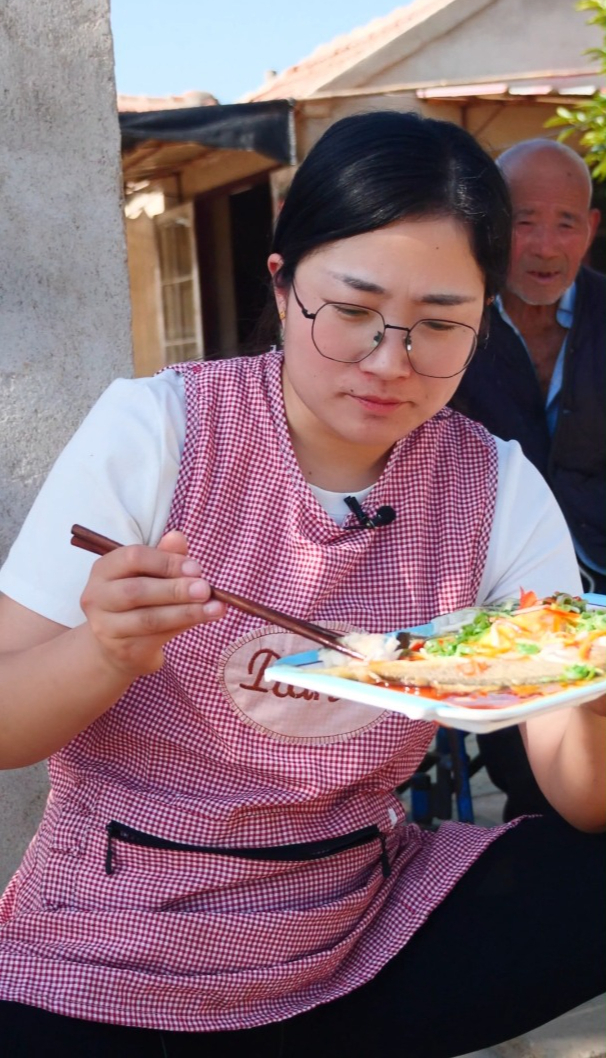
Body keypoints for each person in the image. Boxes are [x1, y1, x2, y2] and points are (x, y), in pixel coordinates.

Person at [0, 112, 603, 1058]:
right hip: (113, 944)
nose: (389, 362)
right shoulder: (159, 429)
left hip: (362, 928)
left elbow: (579, 792)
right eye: (353, 312)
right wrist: (103, 648)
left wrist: (591, 693)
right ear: (282, 286)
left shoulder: (495, 484)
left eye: (439, 325)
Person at [450, 138, 606, 821]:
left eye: (566, 222)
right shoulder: (454, 323)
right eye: (523, 221)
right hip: (503, 600)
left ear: (591, 229)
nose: (546, 247)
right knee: (538, 783)